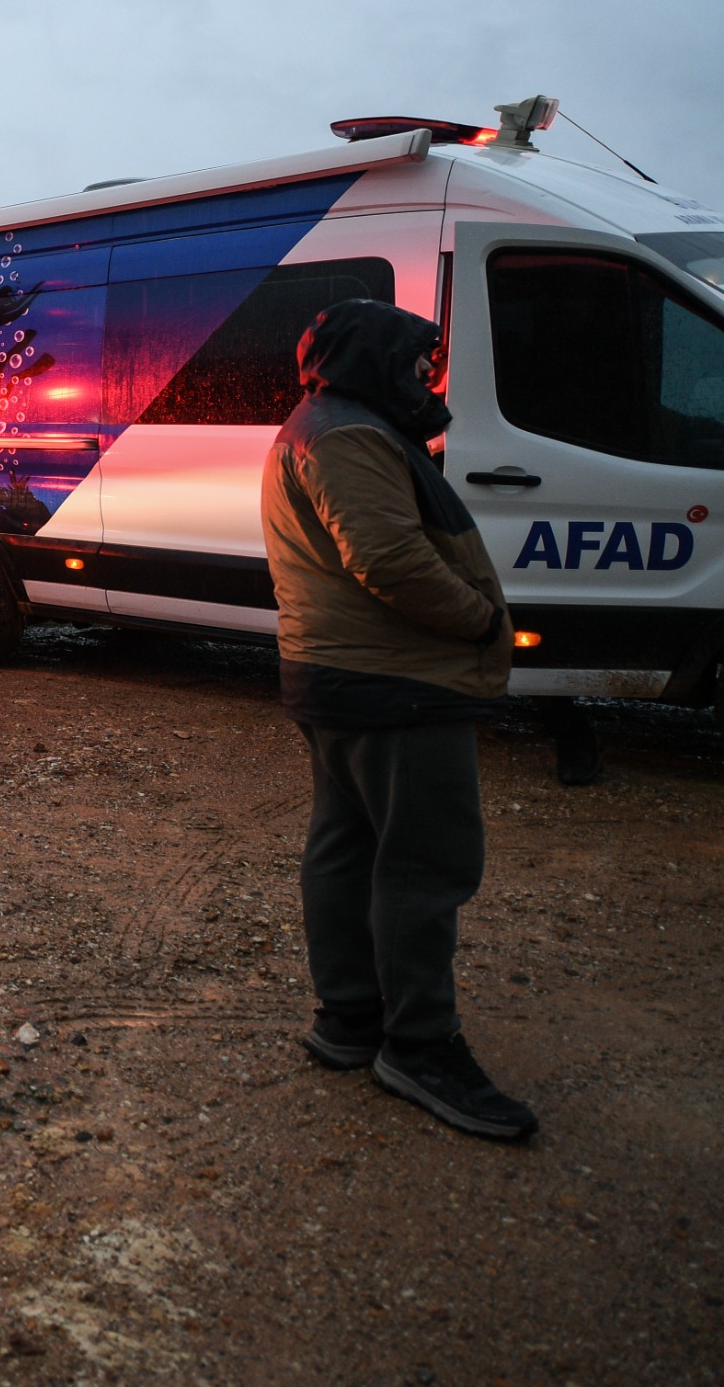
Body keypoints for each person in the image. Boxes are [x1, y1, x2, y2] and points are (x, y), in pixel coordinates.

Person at [261, 298, 532, 1140]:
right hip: (393, 681)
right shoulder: (349, 434)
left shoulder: (329, 424)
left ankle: (350, 1021)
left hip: (345, 675)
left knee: (347, 849)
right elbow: (386, 557)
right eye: (419, 362)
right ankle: (418, 1047)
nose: (428, 378)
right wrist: (481, 619)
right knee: (425, 863)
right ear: (376, 357)